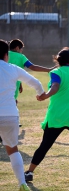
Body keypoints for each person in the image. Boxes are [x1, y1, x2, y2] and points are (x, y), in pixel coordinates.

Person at [24, 48, 69, 184]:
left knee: (44, 146)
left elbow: (56, 86)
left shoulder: (56, 72)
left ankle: (29, 172)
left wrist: (45, 95)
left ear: (58, 61)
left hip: (56, 116)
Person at [0, 39, 45, 191]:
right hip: (10, 115)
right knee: (13, 149)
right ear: (7, 55)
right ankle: (22, 184)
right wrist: (40, 94)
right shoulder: (13, 68)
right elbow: (36, 83)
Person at [8, 39, 54, 103]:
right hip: (13, 86)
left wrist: (20, 82)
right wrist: (48, 69)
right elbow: (32, 67)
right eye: (21, 49)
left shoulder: (5, 54)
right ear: (17, 48)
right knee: (11, 102)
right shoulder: (21, 57)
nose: (21, 51)